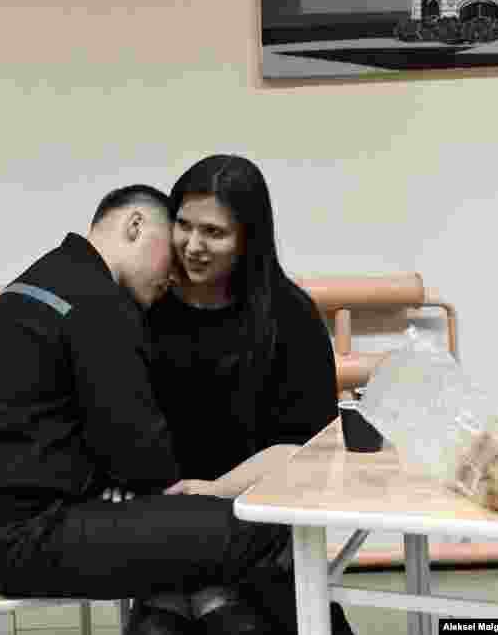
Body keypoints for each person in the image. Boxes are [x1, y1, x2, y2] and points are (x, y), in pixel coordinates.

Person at [0, 184, 299, 634]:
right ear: (135, 226)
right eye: (169, 260)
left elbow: (61, 428)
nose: (172, 277)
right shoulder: (97, 304)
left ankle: (188, 603)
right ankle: (213, 606)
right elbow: (146, 459)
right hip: (27, 541)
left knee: (185, 539)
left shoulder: (43, 282)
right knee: (261, 524)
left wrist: (111, 483)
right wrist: (139, 483)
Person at [131, 154, 355, 634]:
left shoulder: (289, 316)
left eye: (214, 233)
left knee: (231, 619)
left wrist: (217, 491)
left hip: (258, 513)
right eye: (183, 226)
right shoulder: (146, 306)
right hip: (165, 519)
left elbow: (307, 448)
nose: (193, 246)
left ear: (248, 238)